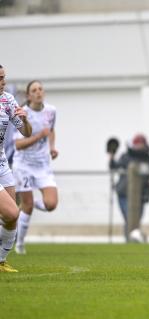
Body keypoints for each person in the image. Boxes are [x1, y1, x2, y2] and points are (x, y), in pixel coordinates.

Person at [13, 80, 59, 255]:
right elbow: (17, 144)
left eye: (41, 89)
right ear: (28, 95)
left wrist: (52, 148)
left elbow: (51, 130)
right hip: (23, 165)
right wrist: (39, 135)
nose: (39, 92)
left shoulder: (51, 110)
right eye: (34, 90)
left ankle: (25, 207)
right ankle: (20, 245)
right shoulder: (23, 114)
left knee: (51, 204)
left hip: (42, 165)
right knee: (29, 205)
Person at [0, 65, 32, 272]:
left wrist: (25, 119)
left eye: (4, 77)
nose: (3, 81)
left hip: (2, 163)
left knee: (11, 217)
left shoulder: (8, 100)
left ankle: (1, 261)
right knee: (11, 212)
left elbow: (27, 133)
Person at [109, 134, 149, 241]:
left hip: (140, 195)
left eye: (141, 144)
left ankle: (132, 240)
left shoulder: (148, 159)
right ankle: (130, 240)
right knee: (129, 218)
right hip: (123, 194)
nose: (139, 146)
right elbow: (114, 167)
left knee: (136, 220)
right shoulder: (126, 157)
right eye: (138, 144)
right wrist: (111, 156)